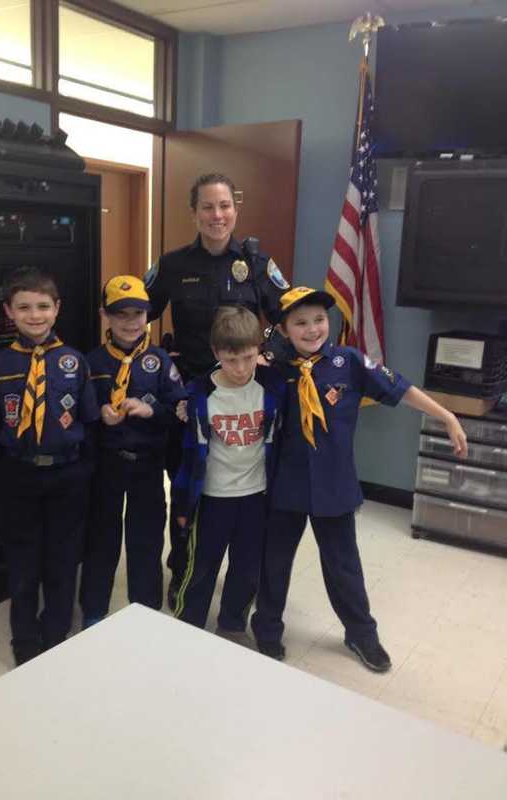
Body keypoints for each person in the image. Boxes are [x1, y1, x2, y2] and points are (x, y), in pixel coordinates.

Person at [251, 286, 468, 672]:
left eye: (318, 319)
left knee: (343, 564)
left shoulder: (348, 361)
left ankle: (361, 633)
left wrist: (447, 416)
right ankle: (267, 629)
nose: (313, 328)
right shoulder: (273, 371)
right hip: (286, 483)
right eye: (300, 323)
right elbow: (230, 375)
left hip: (334, 484)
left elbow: (399, 388)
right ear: (283, 330)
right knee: (275, 561)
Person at [145, 172, 290, 608]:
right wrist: (150, 366)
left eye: (224, 205)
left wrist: (269, 355)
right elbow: (137, 314)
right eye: (207, 206)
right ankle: (183, 570)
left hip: (243, 394)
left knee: (242, 490)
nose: (217, 215)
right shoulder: (172, 265)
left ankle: (239, 578)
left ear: (235, 209)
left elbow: (289, 317)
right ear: (194, 212)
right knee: (187, 488)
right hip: (193, 400)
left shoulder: (256, 263)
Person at [0, 267, 100, 667]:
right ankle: (25, 636)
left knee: (64, 556)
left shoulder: (74, 361)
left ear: (57, 309)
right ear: (9, 312)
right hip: (19, 475)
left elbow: (89, 421)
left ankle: (57, 629)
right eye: (25, 307)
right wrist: (0, 476)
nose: (35, 315)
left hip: (67, 474)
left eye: (43, 306)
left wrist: (84, 470)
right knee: (23, 559)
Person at [79, 275, 186, 626]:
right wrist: (99, 415)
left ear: (148, 315)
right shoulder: (90, 362)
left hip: (147, 466)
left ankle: (146, 610)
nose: (130, 321)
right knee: (101, 539)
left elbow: (179, 413)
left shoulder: (160, 362)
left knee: (147, 538)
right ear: (104, 316)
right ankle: (94, 611)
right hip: (105, 467)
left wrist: (151, 410)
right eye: (120, 313)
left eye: (138, 313)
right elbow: (77, 416)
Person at [172, 305, 285, 637]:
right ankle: (187, 626)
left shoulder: (274, 386)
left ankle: (232, 624)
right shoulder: (198, 392)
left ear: (259, 352)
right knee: (201, 568)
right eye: (231, 359)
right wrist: (182, 503)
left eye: (249, 357)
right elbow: (189, 455)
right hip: (212, 497)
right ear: (215, 352)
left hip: (256, 495)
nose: (240, 368)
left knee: (247, 568)